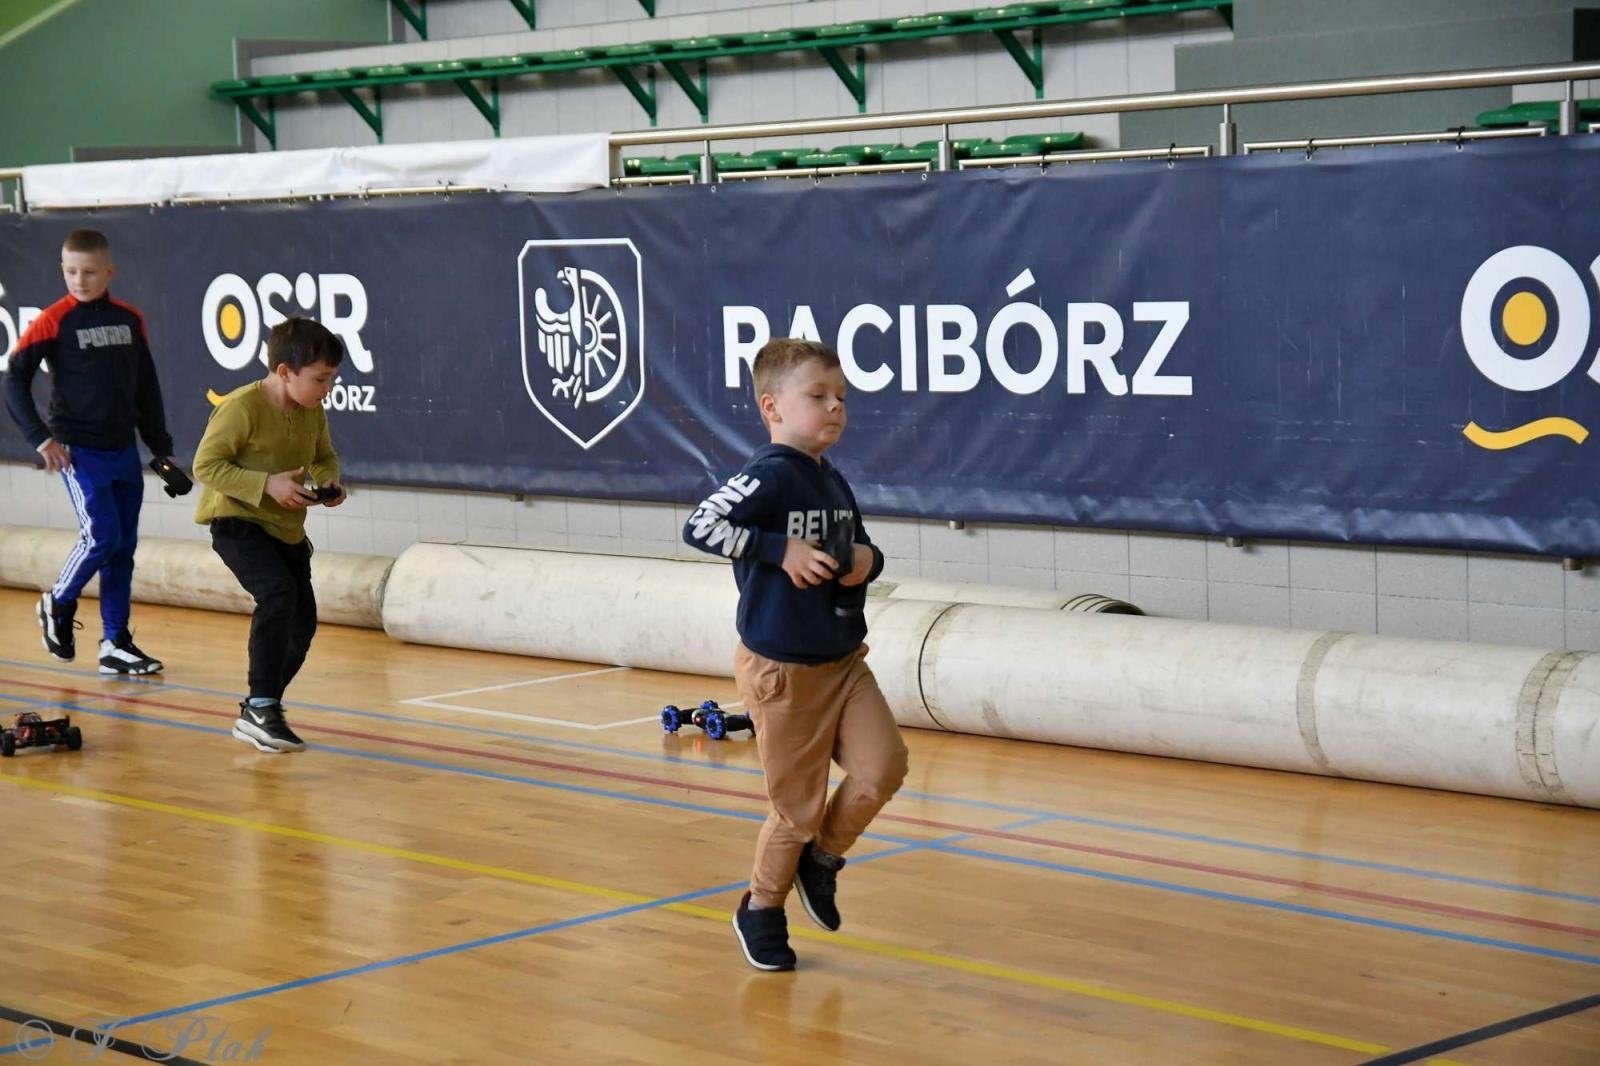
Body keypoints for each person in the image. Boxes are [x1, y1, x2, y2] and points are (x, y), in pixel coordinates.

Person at [682, 337, 909, 972]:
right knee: (797, 809)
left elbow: (865, 551)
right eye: (818, 396)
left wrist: (864, 561)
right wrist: (778, 549)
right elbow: (701, 525)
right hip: (783, 671)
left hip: (844, 662)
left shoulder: (829, 477)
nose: (836, 407)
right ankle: (761, 907)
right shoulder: (772, 473)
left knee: (883, 767)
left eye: (841, 397)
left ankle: (822, 860)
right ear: (772, 406)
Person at [4, 228, 177, 675]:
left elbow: (146, 387)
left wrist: (160, 448)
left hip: (123, 450)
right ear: (63, 270)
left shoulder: (130, 320)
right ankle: (58, 602)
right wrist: (41, 438)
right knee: (101, 535)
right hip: (79, 451)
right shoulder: (53, 320)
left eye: (90, 272)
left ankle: (115, 642)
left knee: (123, 547)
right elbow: (14, 379)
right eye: (71, 272)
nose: (80, 280)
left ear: (109, 272)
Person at [192, 317, 346, 754]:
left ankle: (260, 709)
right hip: (237, 522)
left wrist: (329, 480)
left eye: (331, 379)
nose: (327, 388)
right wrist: (266, 484)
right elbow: (206, 466)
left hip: (286, 530)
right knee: (277, 595)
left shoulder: (312, 410)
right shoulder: (241, 408)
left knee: (302, 625)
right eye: (320, 379)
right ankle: (261, 707)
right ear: (284, 372)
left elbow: (324, 456)